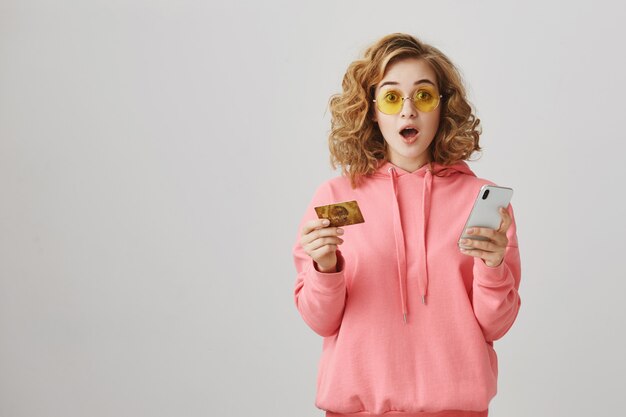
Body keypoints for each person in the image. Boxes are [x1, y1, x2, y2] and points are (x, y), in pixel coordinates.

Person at [292, 33, 522, 417]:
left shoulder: (481, 200)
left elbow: (495, 325)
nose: (408, 111)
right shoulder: (335, 197)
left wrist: (494, 269)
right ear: (371, 109)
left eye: (424, 96)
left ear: (443, 107)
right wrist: (326, 268)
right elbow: (320, 321)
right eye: (392, 97)